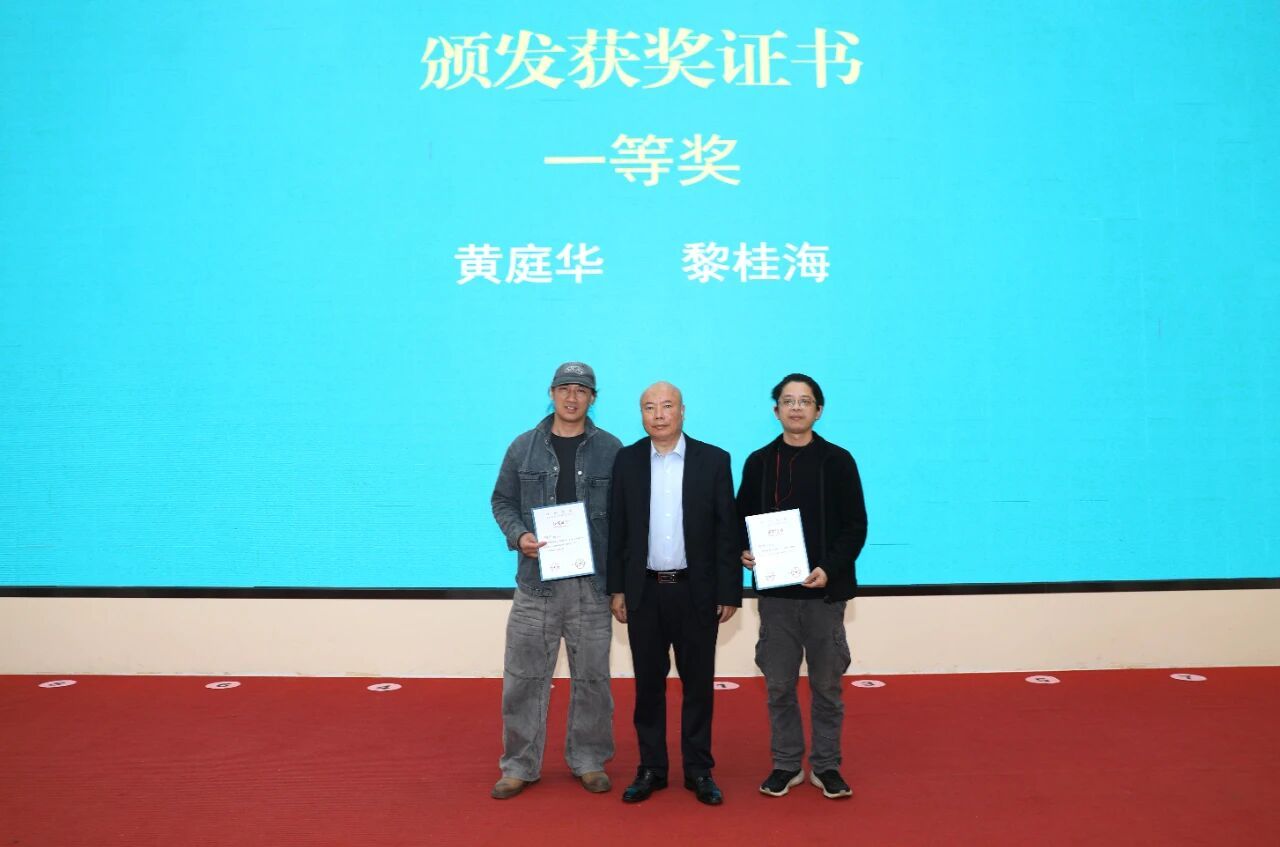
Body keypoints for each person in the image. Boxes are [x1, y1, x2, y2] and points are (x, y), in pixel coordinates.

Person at [489, 362, 622, 799]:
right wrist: (519, 536)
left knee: (593, 681)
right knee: (523, 679)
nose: (572, 397)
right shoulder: (522, 447)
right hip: (535, 587)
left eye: (581, 390)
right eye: (564, 388)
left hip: (592, 587)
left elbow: (624, 518)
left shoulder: (612, 449)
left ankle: (589, 760)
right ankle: (519, 765)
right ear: (551, 393)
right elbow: (502, 501)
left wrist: (620, 584)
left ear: (593, 398)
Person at [606, 382, 741, 806]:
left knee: (698, 686)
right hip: (644, 592)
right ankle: (652, 768)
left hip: (695, 592)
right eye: (649, 407)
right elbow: (618, 529)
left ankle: (699, 769)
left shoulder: (714, 460)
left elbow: (726, 530)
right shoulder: (627, 460)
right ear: (641, 415)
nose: (659, 414)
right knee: (648, 687)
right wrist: (617, 588)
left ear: (683, 411)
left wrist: (729, 591)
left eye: (667, 406)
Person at [735, 373, 867, 799]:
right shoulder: (759, 462)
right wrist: (742, 550)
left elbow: (856, 526)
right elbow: (739, 519)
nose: (796, 408)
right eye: (788, 401)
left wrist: (829, 568)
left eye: (804, 401)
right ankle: (787, 764)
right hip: (776, 598)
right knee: (778, 686)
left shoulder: (838, 461)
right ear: (776, 411)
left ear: (818, 410)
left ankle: (826, 766)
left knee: (827, 686)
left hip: (823, 595)